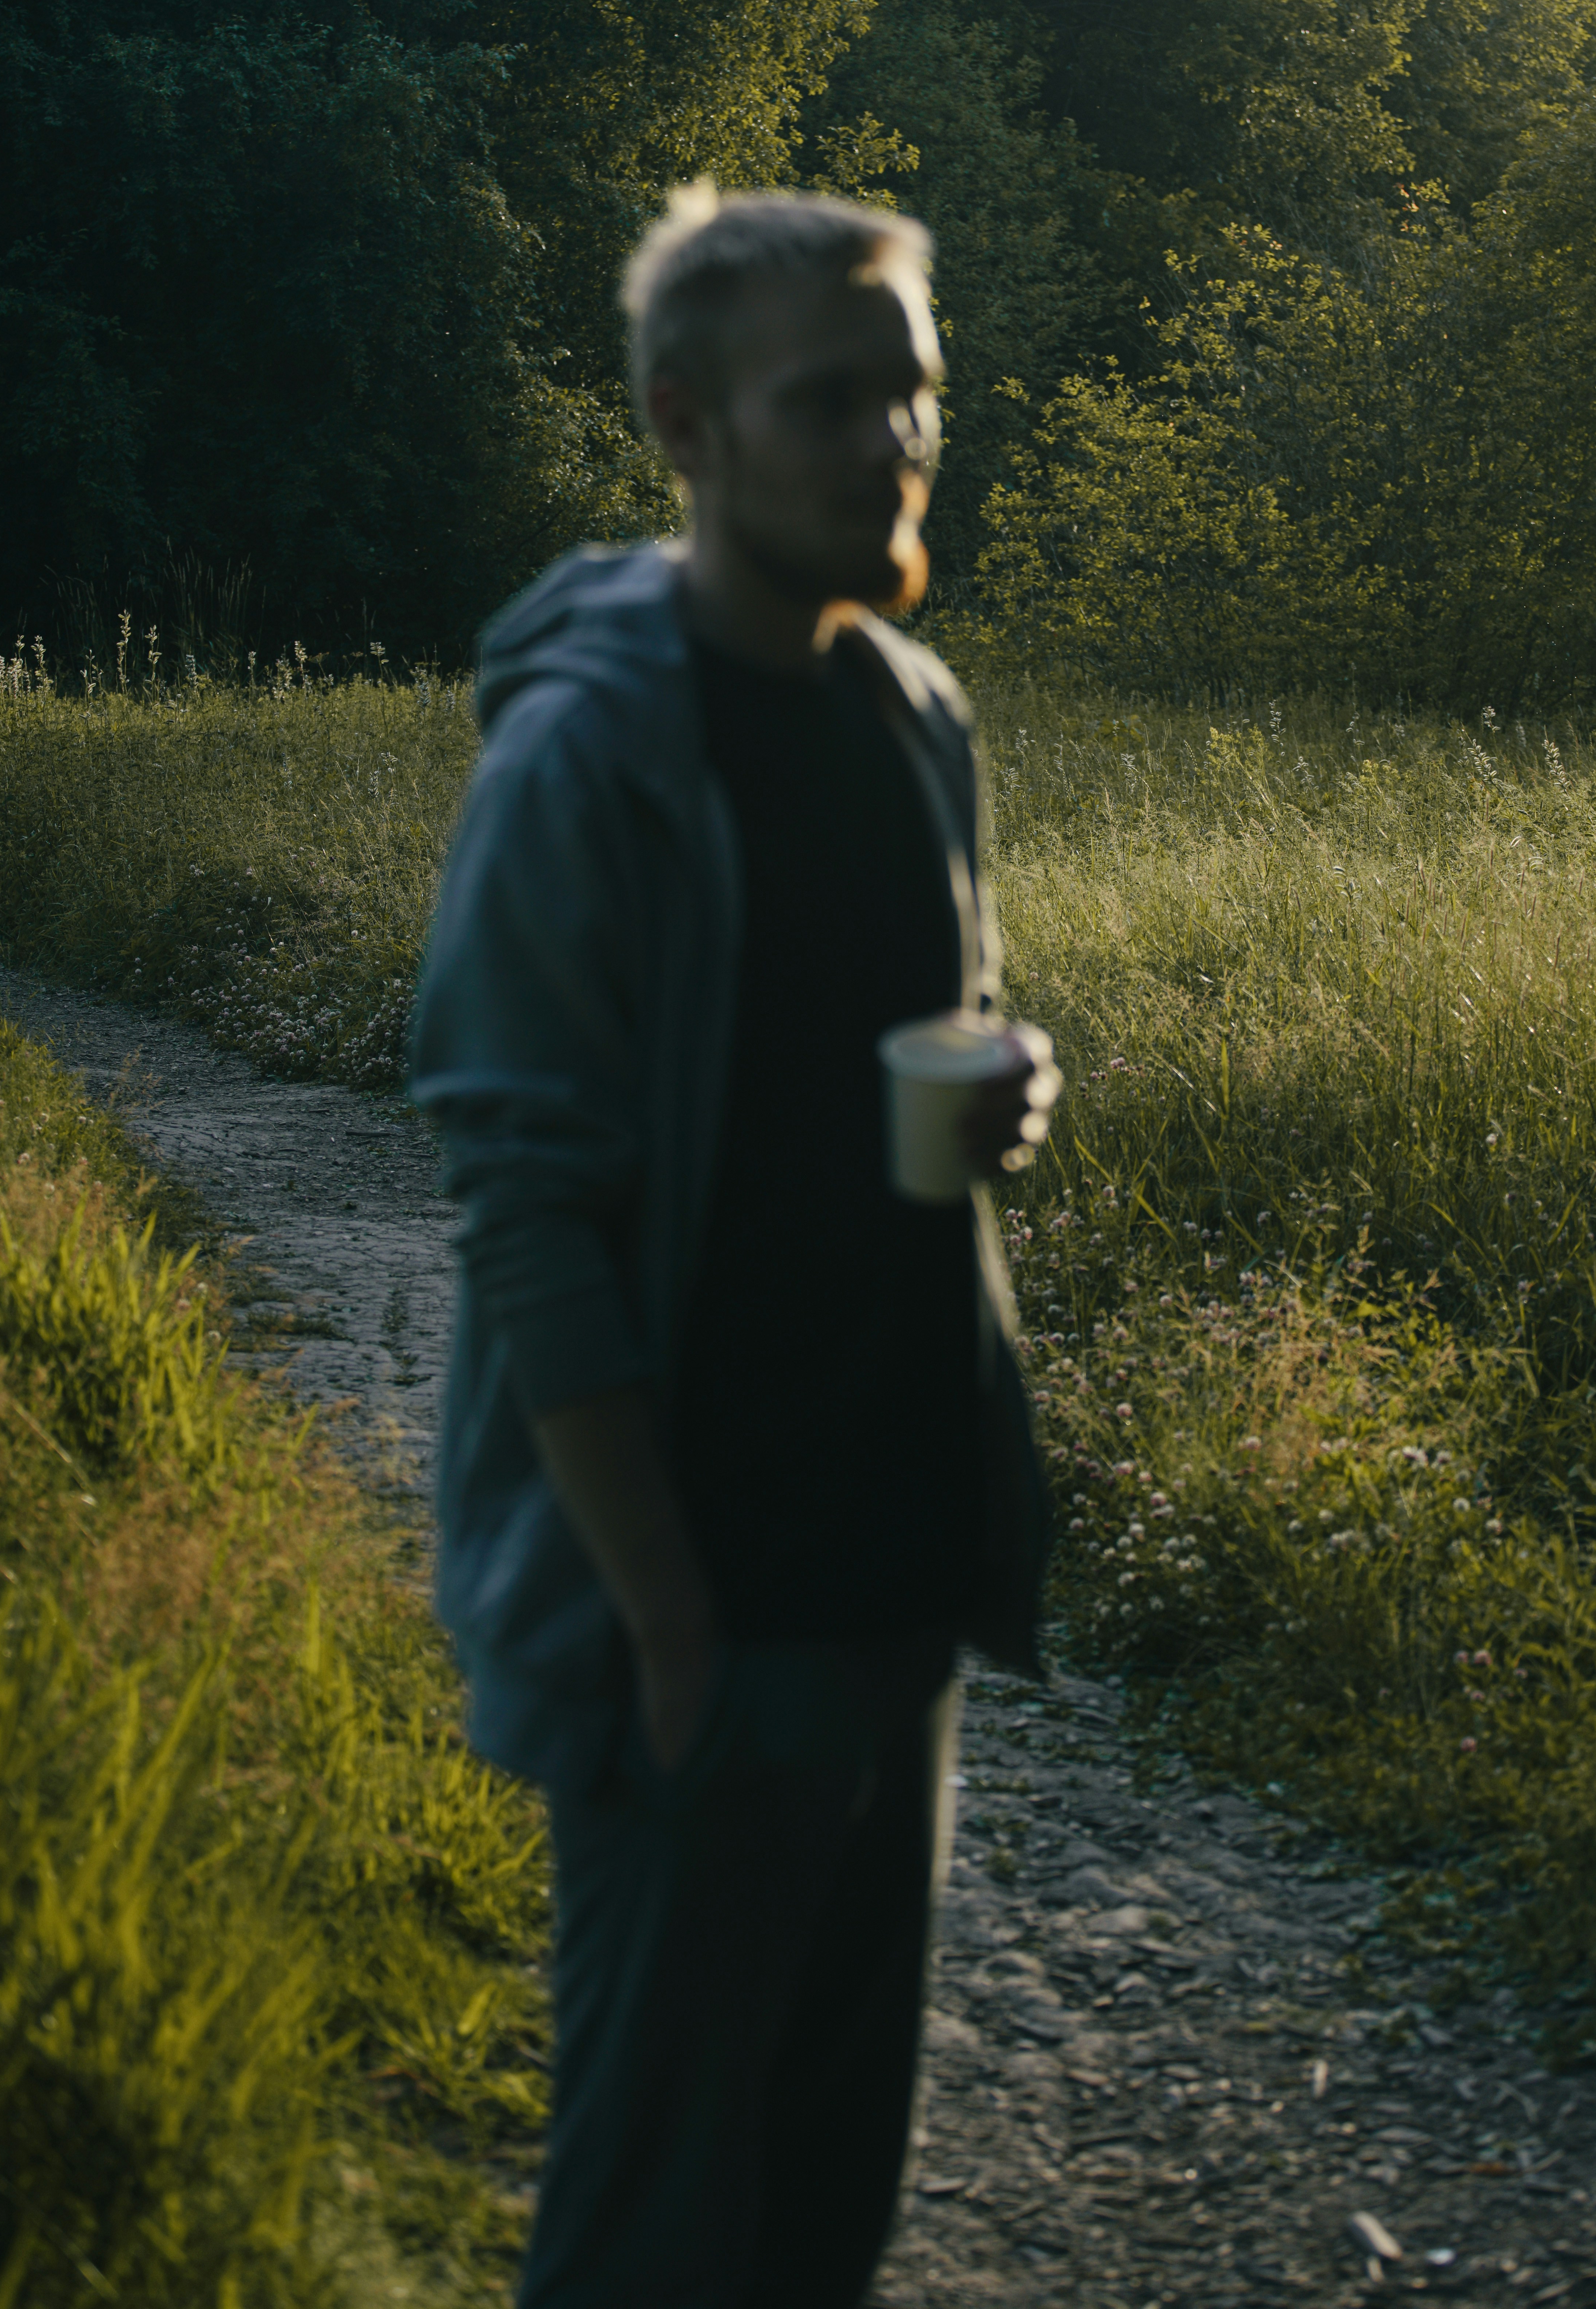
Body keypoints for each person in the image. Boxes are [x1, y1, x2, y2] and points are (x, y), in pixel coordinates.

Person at [410, 182, 1062, 2309]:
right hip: (692, 1622)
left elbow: (854, 1093)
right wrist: (670, 1624)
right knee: (650, 2234)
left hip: (891, 1581)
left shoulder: (914, 715)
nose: (889, 442)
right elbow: (527, 1211)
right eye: (827, 401)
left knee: (815, 2225)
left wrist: (996, 1107)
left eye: (911, 394)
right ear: (685, 425)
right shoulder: (590, 757)